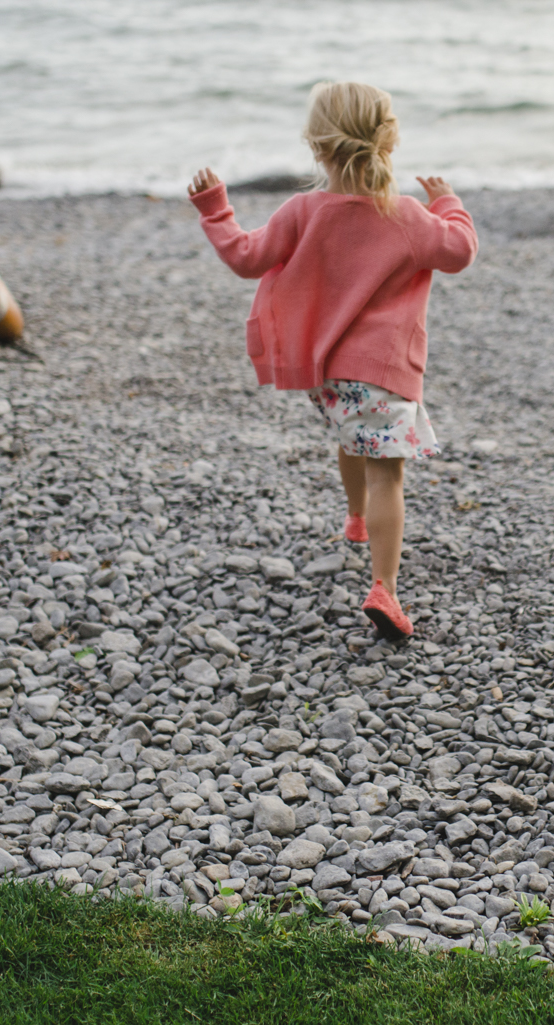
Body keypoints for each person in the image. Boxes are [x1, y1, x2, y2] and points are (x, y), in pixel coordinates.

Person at [187, 81, 477, 641]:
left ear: (316, 146)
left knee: (352, 439)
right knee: (386, 469)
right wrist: (448, 202)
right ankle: (385, 590)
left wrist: (215, 210)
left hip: (328, 374)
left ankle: (356, 520)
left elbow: (247, 257)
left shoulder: (303, 210)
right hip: (385, 371)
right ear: (388, 142)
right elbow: (460, 251)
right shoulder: (410, 216)